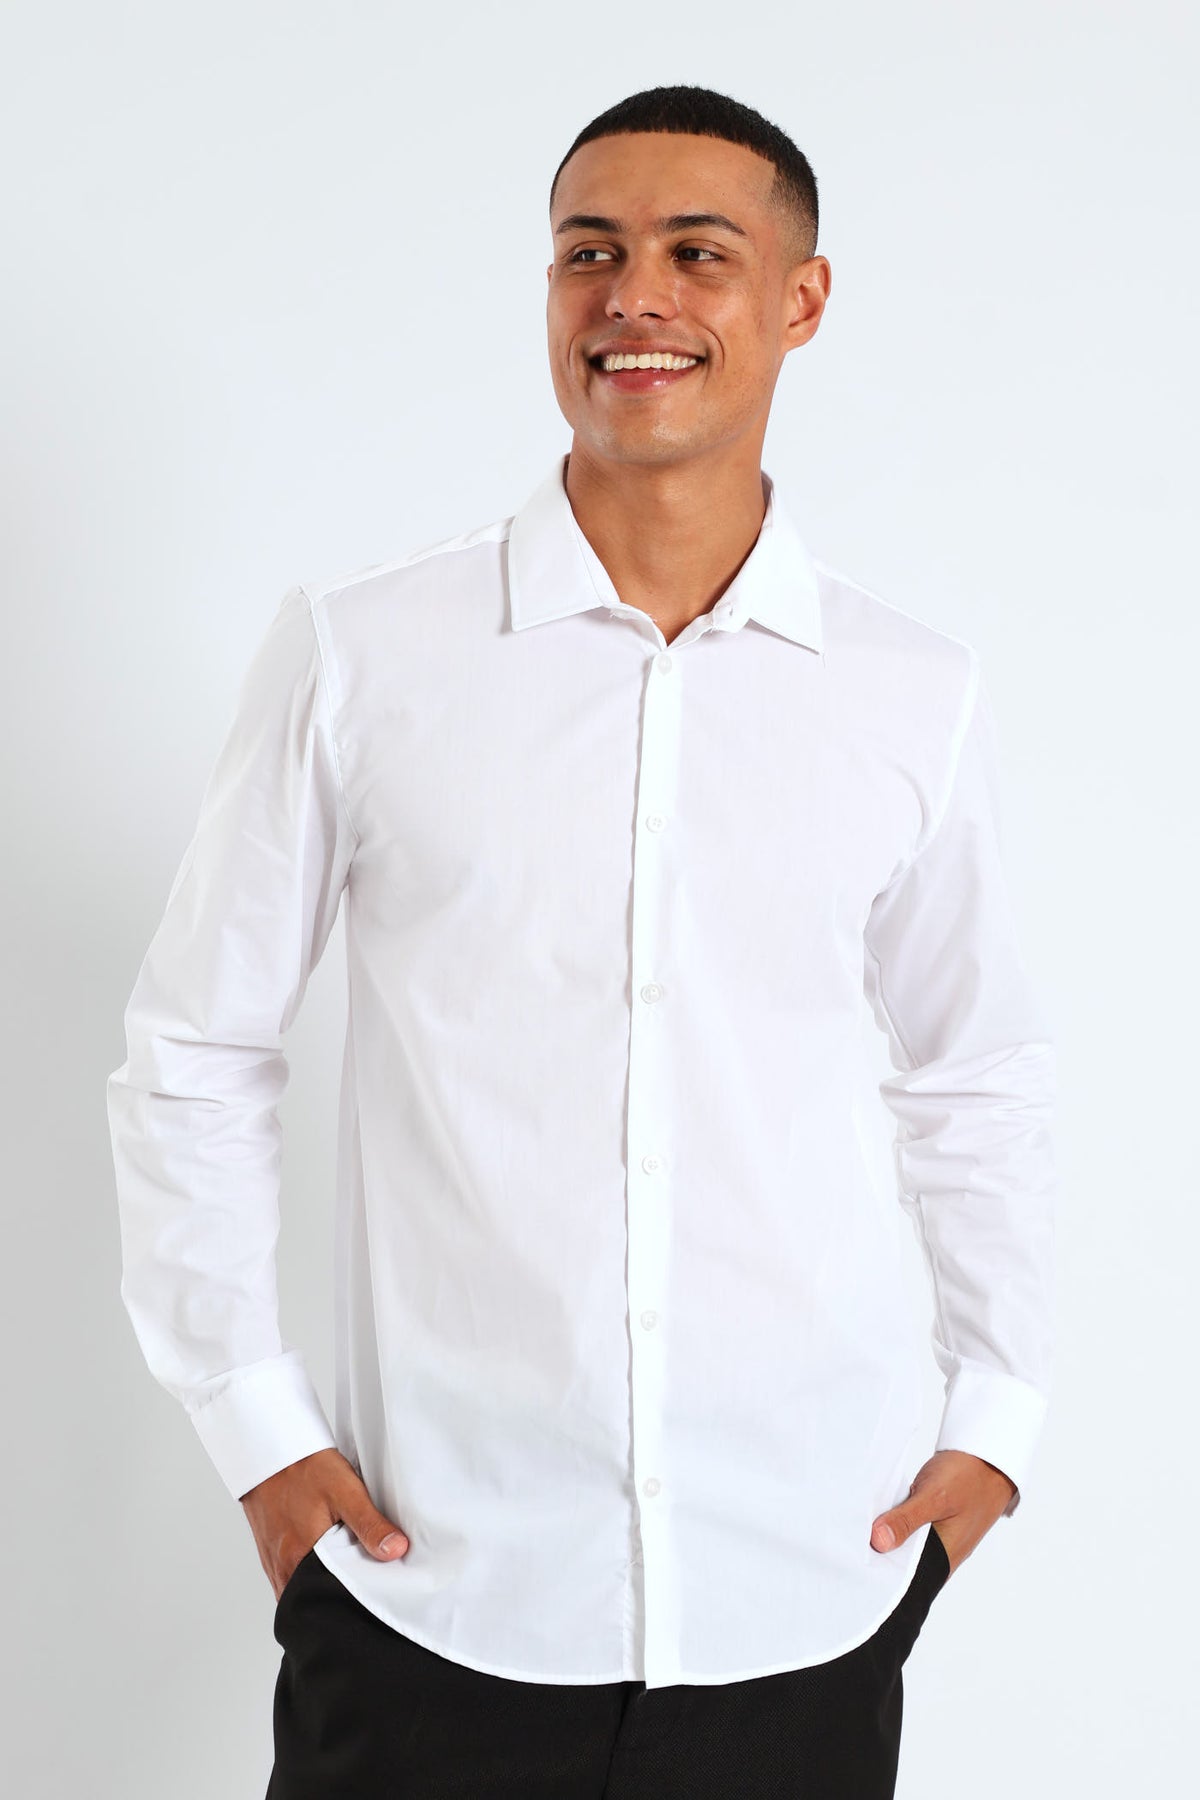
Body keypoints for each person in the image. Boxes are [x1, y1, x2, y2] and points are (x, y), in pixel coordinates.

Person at [106, 83, 1056, 1800]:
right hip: (432, 1597)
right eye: (589, 253)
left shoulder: (913, 693)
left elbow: (975, 1070)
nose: (636, 298)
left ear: (800, 301)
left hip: (806, 1594)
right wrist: (252, 1421)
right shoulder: (365, 654)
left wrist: (995, 1420)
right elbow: (196, 1049)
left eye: (700, 254)